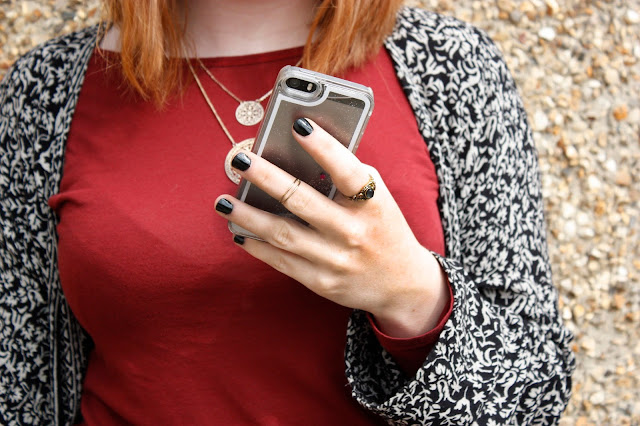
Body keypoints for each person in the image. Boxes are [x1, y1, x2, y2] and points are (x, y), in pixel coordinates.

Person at [0, 0, 575, 424]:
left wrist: (412, 296)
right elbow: (16, 377)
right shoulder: (42, 93)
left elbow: (534, 393)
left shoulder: (451, 68)